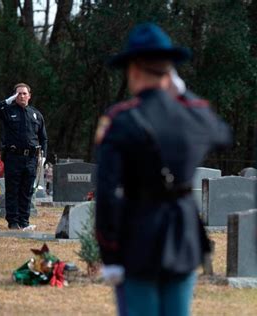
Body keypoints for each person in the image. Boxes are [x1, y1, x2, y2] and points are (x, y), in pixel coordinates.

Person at [94, 23, 232, 316]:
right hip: (182, 234)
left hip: (137, 234)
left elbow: (106, 194)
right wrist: (185, 95)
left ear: (133, 70)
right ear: (170, 72)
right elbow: (223, 135)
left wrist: (110, 253)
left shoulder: (120, 120)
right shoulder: (192, 114)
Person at [0, 83, 47, 230]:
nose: (22, 96)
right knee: (12, 190)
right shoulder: (7, 110)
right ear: (14, 96)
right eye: (18, 94)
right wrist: (7, 101)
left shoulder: (36, 114)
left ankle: (24, 221)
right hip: (14, 157)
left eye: (24, 93)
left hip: (31, 158)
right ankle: (13, 222)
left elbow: (43, 138)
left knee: (27, 191)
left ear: (29, 96)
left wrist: (43, 156)